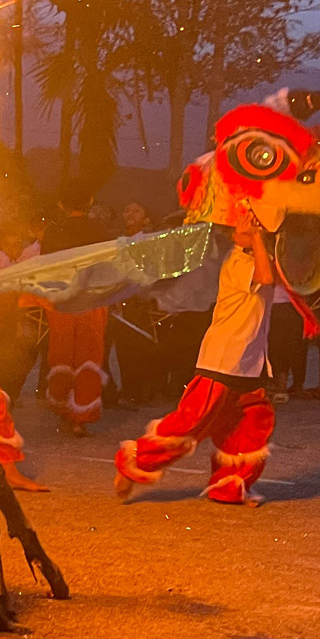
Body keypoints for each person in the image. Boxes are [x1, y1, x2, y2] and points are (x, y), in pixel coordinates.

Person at [116, 207, 278, 506]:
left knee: (249, 426)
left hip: (249, 361)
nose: (256, 229)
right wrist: (254, 236)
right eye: (248, 226)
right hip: (225, 358)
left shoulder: (257, 256)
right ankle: (135, 461)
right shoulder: (239, 260)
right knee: (191, 423)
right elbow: (266, 279)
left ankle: (231, 484)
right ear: (234, 233)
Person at [41, 187, 107, 435]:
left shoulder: (54, 231)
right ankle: (81, 415)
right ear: (90, 199)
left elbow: (44, 267)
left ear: (60, 204)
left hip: (61, 299)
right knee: (89, 354)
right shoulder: (99, 230)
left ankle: (61, 404)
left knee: (61, 352)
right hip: (92, 300)